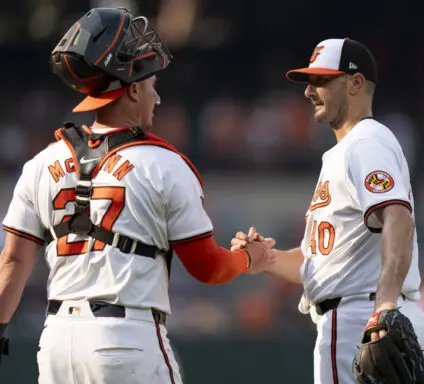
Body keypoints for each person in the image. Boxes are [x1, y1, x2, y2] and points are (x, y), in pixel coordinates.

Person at [0, 7, 273, 384]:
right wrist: (248, 257)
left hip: (56, 344)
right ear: (131, 90)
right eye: (151, 86)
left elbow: (12, 263)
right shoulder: (163, 163)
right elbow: (207, 268)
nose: (156, 98)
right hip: (125, 340)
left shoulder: (41, 163)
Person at [231, 38, 424, 384]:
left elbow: (398, 219)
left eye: (321, 80)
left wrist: (383, 307)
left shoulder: (365, 142)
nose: (309, 91)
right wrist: (267, 258)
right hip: (361, 313)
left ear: (355, 83)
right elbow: (322, 264)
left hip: (361, 316)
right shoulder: (343, 153)